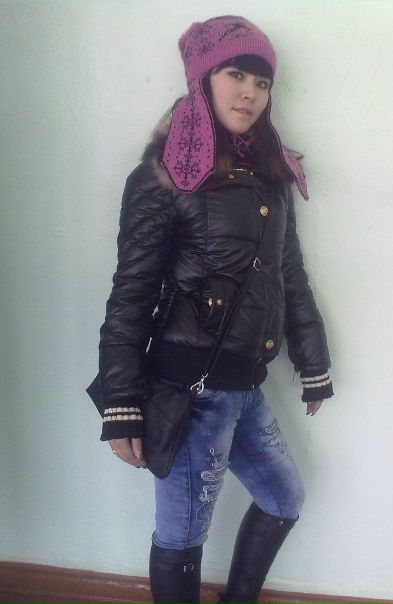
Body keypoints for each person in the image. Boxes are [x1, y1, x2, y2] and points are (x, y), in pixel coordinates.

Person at [94, 15, 333, 604]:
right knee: (182, 537)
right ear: (203, 79)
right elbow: (130, 293)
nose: (249, 93)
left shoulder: (273, 177)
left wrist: (313, 362)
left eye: (261, 81)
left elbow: (289, 276)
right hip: (189, 391)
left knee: (283, 499)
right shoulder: (162, 178)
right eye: (235, 75)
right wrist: (121, 404)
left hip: (246, 387)